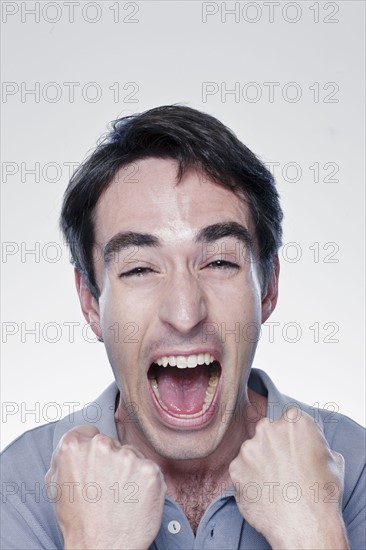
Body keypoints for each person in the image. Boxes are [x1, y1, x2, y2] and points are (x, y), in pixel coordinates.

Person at [1, 105, 364, 550]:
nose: (185, 312)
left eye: (219, 261)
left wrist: (314, 533)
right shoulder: (17, 488)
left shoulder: (356, 467)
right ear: (90, 301)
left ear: (268, 287)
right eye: (139, 269)